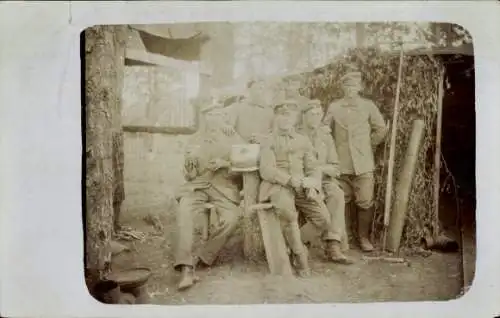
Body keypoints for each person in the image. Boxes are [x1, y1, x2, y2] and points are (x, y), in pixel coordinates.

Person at [258, 99, 349, 277]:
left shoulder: (303, 140)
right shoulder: (268, 140)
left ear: (295, 119)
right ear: (277, 118)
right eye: (282, 116)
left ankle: (292, 245)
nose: (285, 120)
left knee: (324, 219)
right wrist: (291, 180)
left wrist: (313, 184)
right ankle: (300, 256)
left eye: (289, 116)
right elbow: (267, 170)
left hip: (302, 187)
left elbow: (313, 167)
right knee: (288, 213)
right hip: (279, 186)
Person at [174, 102, 245, 291]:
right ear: (205, 118)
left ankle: (204, 256)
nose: (215, 119)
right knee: (184, 212)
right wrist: (189, 170)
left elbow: (245, 164)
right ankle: (186, 267)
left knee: (233, 218)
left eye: (219, 115)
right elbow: (188, 173)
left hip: (223, 187)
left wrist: (225, 164)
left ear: (223, 117)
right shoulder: (194, 139)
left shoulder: (233, 137)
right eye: (210, 115)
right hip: (197, 186)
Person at [322, 68, 388, 252]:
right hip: (341, 163)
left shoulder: (368, 106)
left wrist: (369, 145)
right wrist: (330, 151)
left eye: (354, 86)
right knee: (342, 199)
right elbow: (324, 131)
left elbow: (381, 129)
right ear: (343, 88)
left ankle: (363, 238)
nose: (351, 89)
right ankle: (344, 237)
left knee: (365, 200)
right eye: (347, 86)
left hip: (363, 163)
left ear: (359, 87)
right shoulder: (334, 107)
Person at [298, 99, 353, 261]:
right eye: (312, 114)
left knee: (336, 193)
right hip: (303, 181)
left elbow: (335, 167)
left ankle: (333, 245)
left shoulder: (325, 136)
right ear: (304, 116)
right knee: (315, 202)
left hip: (323, 180)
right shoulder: (296, 135)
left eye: (318, 114)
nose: (315, 117)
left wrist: (320, 170)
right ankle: (299, 242)